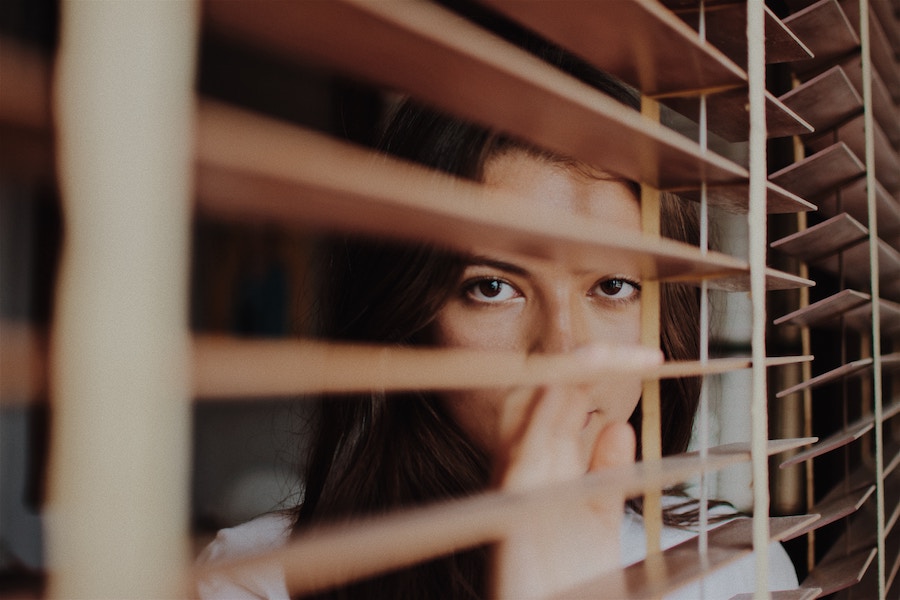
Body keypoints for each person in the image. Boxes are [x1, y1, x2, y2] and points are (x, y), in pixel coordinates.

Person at [198, 34, 799, 600]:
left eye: (613, 285)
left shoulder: (731, 571)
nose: (563, 352)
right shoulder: (259, 580)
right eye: (492, 287)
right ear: (412, 320)